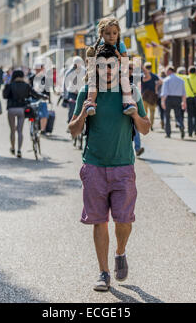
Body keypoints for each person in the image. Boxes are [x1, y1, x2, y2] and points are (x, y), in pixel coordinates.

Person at [69, 44, 150, 292]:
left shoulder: (130, 92)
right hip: (93, 165)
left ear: (118, 67)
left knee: (124, 221)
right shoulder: (87, 92)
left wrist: (136, 116)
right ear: (97, 68)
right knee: (99, 220)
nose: (107, 71)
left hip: (123, 165)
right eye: (102, 67)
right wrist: (82, 114)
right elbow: (73, 130)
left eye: (111, 67)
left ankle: (120, 252)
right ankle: (104, 273)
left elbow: (145, 128)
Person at [85, 17, 136, 117]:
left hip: (117, 73)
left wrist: (119, 56)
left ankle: (127, 103)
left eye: (114, 33)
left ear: (118, 33)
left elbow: (126, 62)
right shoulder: (99, 45)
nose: (111, 36)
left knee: (125, 81)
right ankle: (90, 103)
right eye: (107, 33)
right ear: (101, 34)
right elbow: (91, 63)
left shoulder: (120, 45)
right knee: (93, 83)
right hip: (100, 73)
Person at [3, 69, 46, 158]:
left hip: (11, 109)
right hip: (22, 109)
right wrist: (44, 96)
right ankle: (19, 150)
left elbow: (4, 96)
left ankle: (13, 147)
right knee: (20, 130)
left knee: (12, 130)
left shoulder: (9, 85)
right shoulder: (26, 85)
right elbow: (35, 94)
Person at [161, 65, 186, 139]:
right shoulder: (181, 80)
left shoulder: (166, 80)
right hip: (178, 99)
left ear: (169, 71)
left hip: (168, 98)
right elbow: (184, 93)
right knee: (178, 115)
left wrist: (162, 101)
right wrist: (184, 102)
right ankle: (180, 125)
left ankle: (168, 133)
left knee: (167, 116)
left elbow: (164, 93)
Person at [29, 61, 51, 135]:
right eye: (37, 69)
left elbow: (48, 90)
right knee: (34, 114)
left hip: (42, 99)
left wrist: (48, 98)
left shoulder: (45, 78)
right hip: (35, 99)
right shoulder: (31, 78)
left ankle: (42, 130)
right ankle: (34, 128)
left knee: (44, 114)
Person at [64, 56, 86, 124]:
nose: (77, 64)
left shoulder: (84, 71)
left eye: (79, 63)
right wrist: (65, 94)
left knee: (83, 108)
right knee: (72, 109)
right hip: (72, 92)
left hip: (82, 92)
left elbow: (88, 81)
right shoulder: (69, 71)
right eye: (75, 63)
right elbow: (66, 83)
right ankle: (70, 123)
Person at [141, 62, 161, 130]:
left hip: (144, 95)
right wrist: (156, 87)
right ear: (151, 68)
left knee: (144, 111)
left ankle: (144, 125)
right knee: (152, 111)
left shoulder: (142, 75)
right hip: (152, 96)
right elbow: (160, 82)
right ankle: (151, 125)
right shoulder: (154, 75)